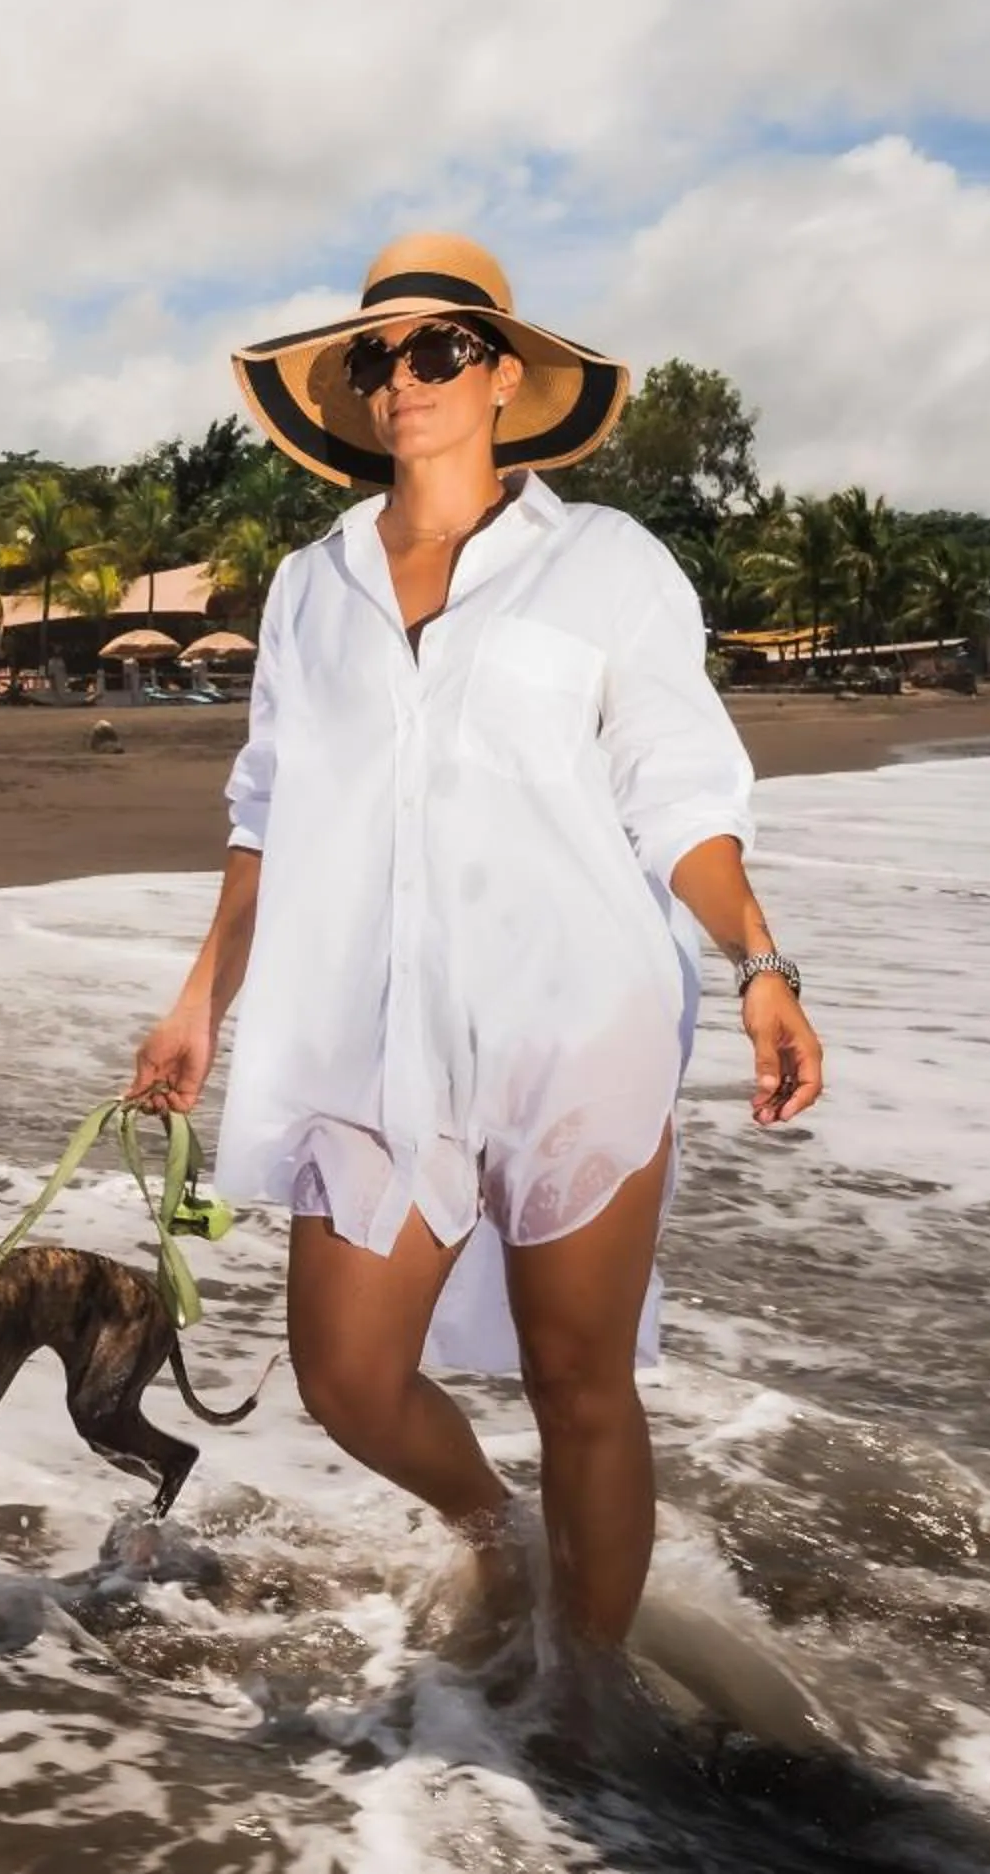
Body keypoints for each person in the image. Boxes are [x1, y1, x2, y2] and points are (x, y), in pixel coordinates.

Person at [128, 233, 822, 1668]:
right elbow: (267, 811)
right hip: (365, 1038)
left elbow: (680, 793)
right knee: (345, 1375)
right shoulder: (311, 584)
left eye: (438, 347)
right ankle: (494, 1530)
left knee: (581, 1383)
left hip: (575, 1027)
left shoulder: (607, 564)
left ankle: (587, 1707)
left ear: (505, 375)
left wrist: (760, 963)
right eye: (376, 356)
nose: (404, 376)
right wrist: (201, 1001)